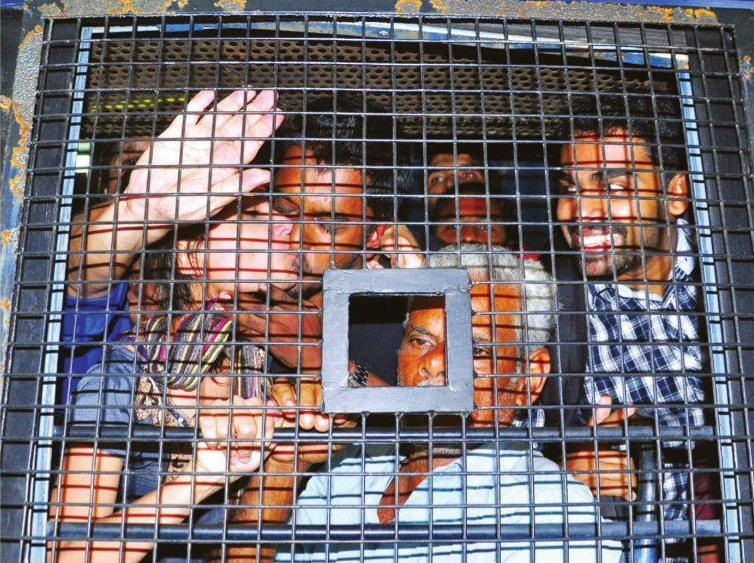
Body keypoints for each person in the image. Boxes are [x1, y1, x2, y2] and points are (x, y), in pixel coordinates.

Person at [240, 245, 621, 563]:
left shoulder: (550, 506)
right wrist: (283, 466)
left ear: (530, 377)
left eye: (475, 349)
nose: (435, 363)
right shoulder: (351, 467)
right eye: (420, 341)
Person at [48, 89, 298, 563]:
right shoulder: (122, 369)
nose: (284, 228)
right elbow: (68, 551)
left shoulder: (272, 369)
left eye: (283, 215)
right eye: (252, 214)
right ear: (187, 253)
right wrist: (142, 212)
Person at [547, 93, 706, 557]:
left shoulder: (733, 275)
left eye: (614, 187)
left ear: (675, 194)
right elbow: (499, 444)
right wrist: (563, 467)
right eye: (570, 189)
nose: (579, 212)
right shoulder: (553, 314)